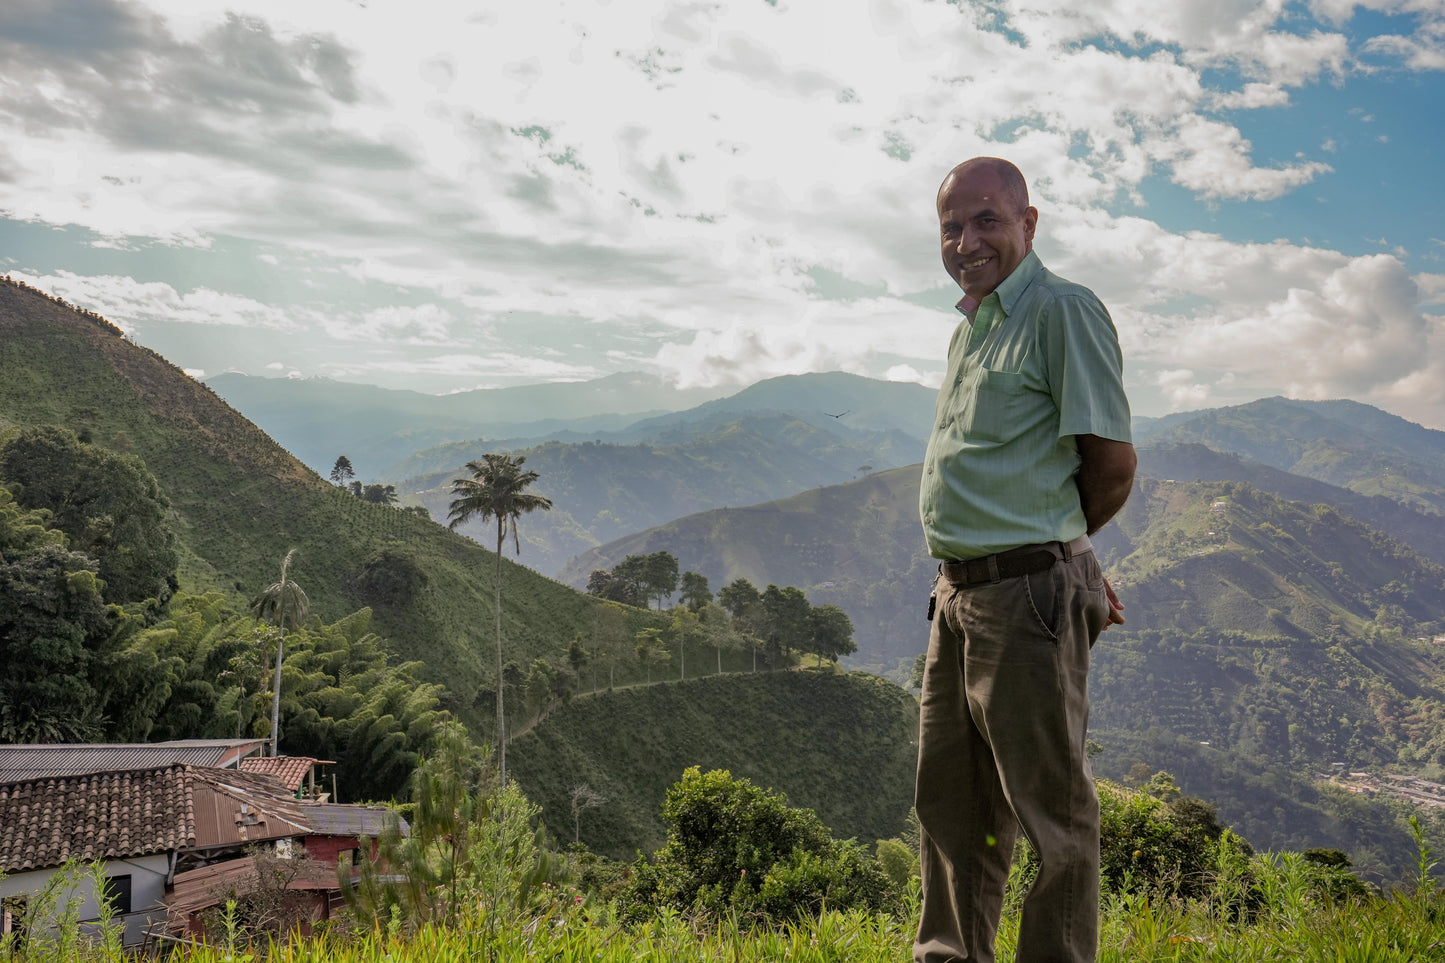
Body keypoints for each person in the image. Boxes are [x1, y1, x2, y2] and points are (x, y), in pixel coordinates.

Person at [914, 157, 1136, 963]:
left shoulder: (1059, 310)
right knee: (951, 804)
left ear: (1027, 223)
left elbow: (1110, 463)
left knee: (1050, 816)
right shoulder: (972, 327)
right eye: (950, 226)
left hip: (1025, 596)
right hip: (960, 597)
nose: (965, 240)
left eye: (984, 220)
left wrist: (1061, 555)